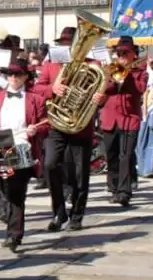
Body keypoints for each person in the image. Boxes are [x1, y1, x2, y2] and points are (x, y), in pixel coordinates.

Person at [32, 26, 104, 231]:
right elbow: (37, 87)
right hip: (57, 124)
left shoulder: (93, 65)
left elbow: (101, 95)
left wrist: (100, 99)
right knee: (50, 165)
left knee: (80, 175)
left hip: (81, 127)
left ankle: (77, 215)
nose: (66, 46)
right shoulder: (51, 65)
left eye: (69, 43)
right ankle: (59, 212)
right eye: (63, 43)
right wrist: (52, 89)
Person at [0, 59, 47, 251]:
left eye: (17, 74)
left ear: (25, 77)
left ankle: (14, 235)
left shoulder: (36, 99)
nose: (13, 78)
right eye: (10, 74)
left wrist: (35, 130)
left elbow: (46, 124)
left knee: (16, 191)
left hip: (21, 145)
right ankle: (10, 221)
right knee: (1, 189)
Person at [99, 36, 147, 206]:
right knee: (111, 155)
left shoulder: (141, 72)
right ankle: (113, 187)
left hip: (130, 118)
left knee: (125, 156)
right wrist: (110, 75)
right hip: (110, 118)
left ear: (134, 54)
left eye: (125, 53)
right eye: (119, 53)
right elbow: (103, 89)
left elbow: (140, 90)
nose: (122, 56)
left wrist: (127, 74)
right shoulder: (110, 70)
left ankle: (125, 192)